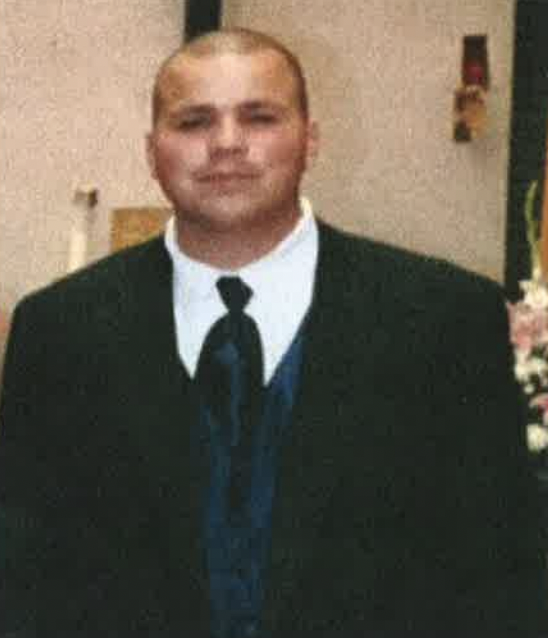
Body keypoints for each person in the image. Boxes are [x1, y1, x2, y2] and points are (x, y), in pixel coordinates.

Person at [0, 27, 546, 638]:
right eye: (194, 122)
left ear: (310, 139)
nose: (226, 144)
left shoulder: (444, 321)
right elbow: (24, 585)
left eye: (259, 117)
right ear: (152, 153)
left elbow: (503, 582)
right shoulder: (61, 332)